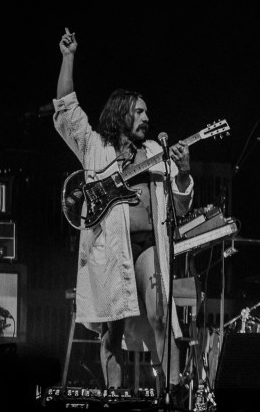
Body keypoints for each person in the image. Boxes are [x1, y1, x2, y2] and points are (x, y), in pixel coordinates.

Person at [53, 28, 195, 394]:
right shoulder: (95, 147)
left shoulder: (153, 152)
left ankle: (173, 392)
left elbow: (179, 206)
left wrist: (184, 172)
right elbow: (67, 109)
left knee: (161, 317)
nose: (147, 116)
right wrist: (68, 58)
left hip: (147, 245)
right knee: (110, 329)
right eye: (139, 111)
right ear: (121, 113)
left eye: (147, 111)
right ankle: (115, 397)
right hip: (109, 251)